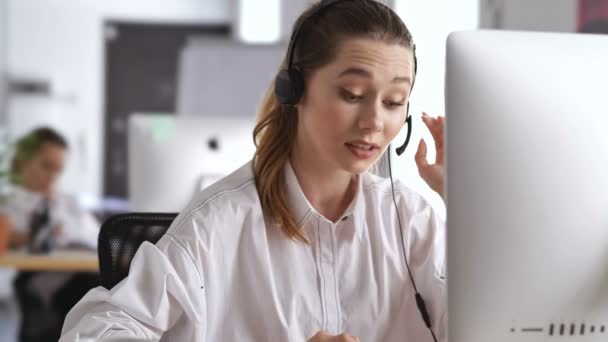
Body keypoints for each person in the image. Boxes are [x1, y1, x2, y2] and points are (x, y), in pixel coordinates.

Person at [60, 1, 447, 341]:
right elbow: (94, 333)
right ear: (293, 91)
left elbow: (495, 327)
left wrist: (465, 204)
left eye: (395, 101)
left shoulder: (410, 220)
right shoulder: (218, 223)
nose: (374, 122)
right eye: (352, 95)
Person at [4, 127, 100, 342]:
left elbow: (98, 238)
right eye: (47, 167)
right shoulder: (9, 201)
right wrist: (31, 235)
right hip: (48, 277)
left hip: (87, 270)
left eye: (58, 170)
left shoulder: (68, 201)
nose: (53, 176)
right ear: (22, 162)